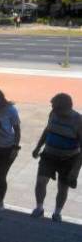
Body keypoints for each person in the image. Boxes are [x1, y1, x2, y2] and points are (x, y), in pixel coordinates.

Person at [31, 93, 82, 222]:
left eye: (55, 107)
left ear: (64, 108)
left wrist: (75, 170)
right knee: (41, 182)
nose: (52, 109)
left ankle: (57, 213)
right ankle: (39, 208)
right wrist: (38, 147)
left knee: (63, 188)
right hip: (49, 156)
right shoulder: (53, 113)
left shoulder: (78, 121)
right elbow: (48, 130)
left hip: (68, 160)